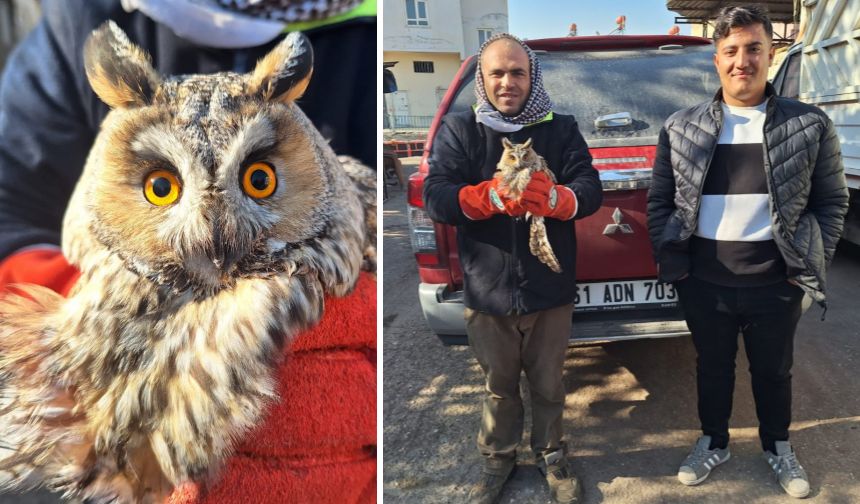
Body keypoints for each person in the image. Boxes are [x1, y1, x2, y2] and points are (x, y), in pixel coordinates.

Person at [0, 0, 376, 501]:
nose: (213, 235)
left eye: (259, 180)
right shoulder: (87, 18)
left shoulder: (370, 24)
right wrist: (92, 316)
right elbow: (8, 202)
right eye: (161, 187)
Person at [647, 5, 848, 499]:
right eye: (731, 51)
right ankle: (713, 441)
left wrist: (807, 264)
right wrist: (678, 267)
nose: (743, 60)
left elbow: (831, 202)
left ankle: (778, 447)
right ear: (716, 60)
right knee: (712, 368)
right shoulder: (680, 127)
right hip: (705, 282)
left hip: (775, 284)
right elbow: (660, 203)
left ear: (770, 54)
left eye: (754, 48)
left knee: (774, 371)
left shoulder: (810, 124)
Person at [423, 33, 602, 504]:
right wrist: (480, 197)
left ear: (532, 76)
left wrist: (564, 199)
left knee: (548, 384)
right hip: (488, 290)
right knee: (499, 387)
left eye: (517, 72)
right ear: (482, 80)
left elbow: (590, 186)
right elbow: (435, 194)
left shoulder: (561, 128)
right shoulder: (461, 130)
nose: (507, 82)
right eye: (496, 73)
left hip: (550, 289)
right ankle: (498, 458)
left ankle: (552, 454)